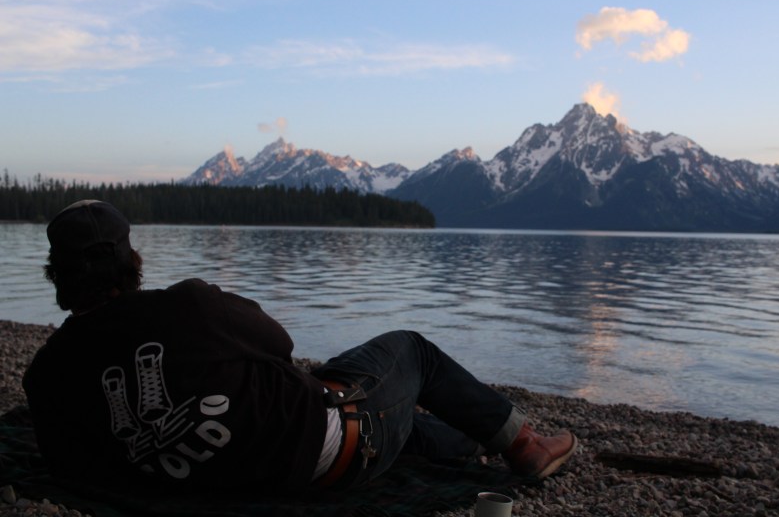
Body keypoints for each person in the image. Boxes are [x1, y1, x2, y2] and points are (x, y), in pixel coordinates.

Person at [23, 199, 577, 494]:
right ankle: (521, 443)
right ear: (131, 260)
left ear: (57, 275)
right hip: (331, 455)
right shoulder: (188, 306)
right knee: (412, 351)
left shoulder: (46, 374)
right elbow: (280, 345)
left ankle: (472, 441)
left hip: (227, 473)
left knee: (393, 413)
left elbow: (73, 466)